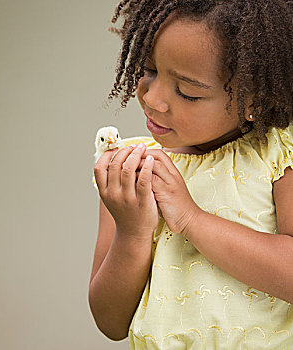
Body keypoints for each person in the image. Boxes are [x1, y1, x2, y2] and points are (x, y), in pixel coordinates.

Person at [89, 1, 293, 349]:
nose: (152, 98)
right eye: (148, 70)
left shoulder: (277, 156)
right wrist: (133, 231)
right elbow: (111, 322)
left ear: (254, 102)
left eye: (187, 92)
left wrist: (190, 218)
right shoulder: (133, 171)